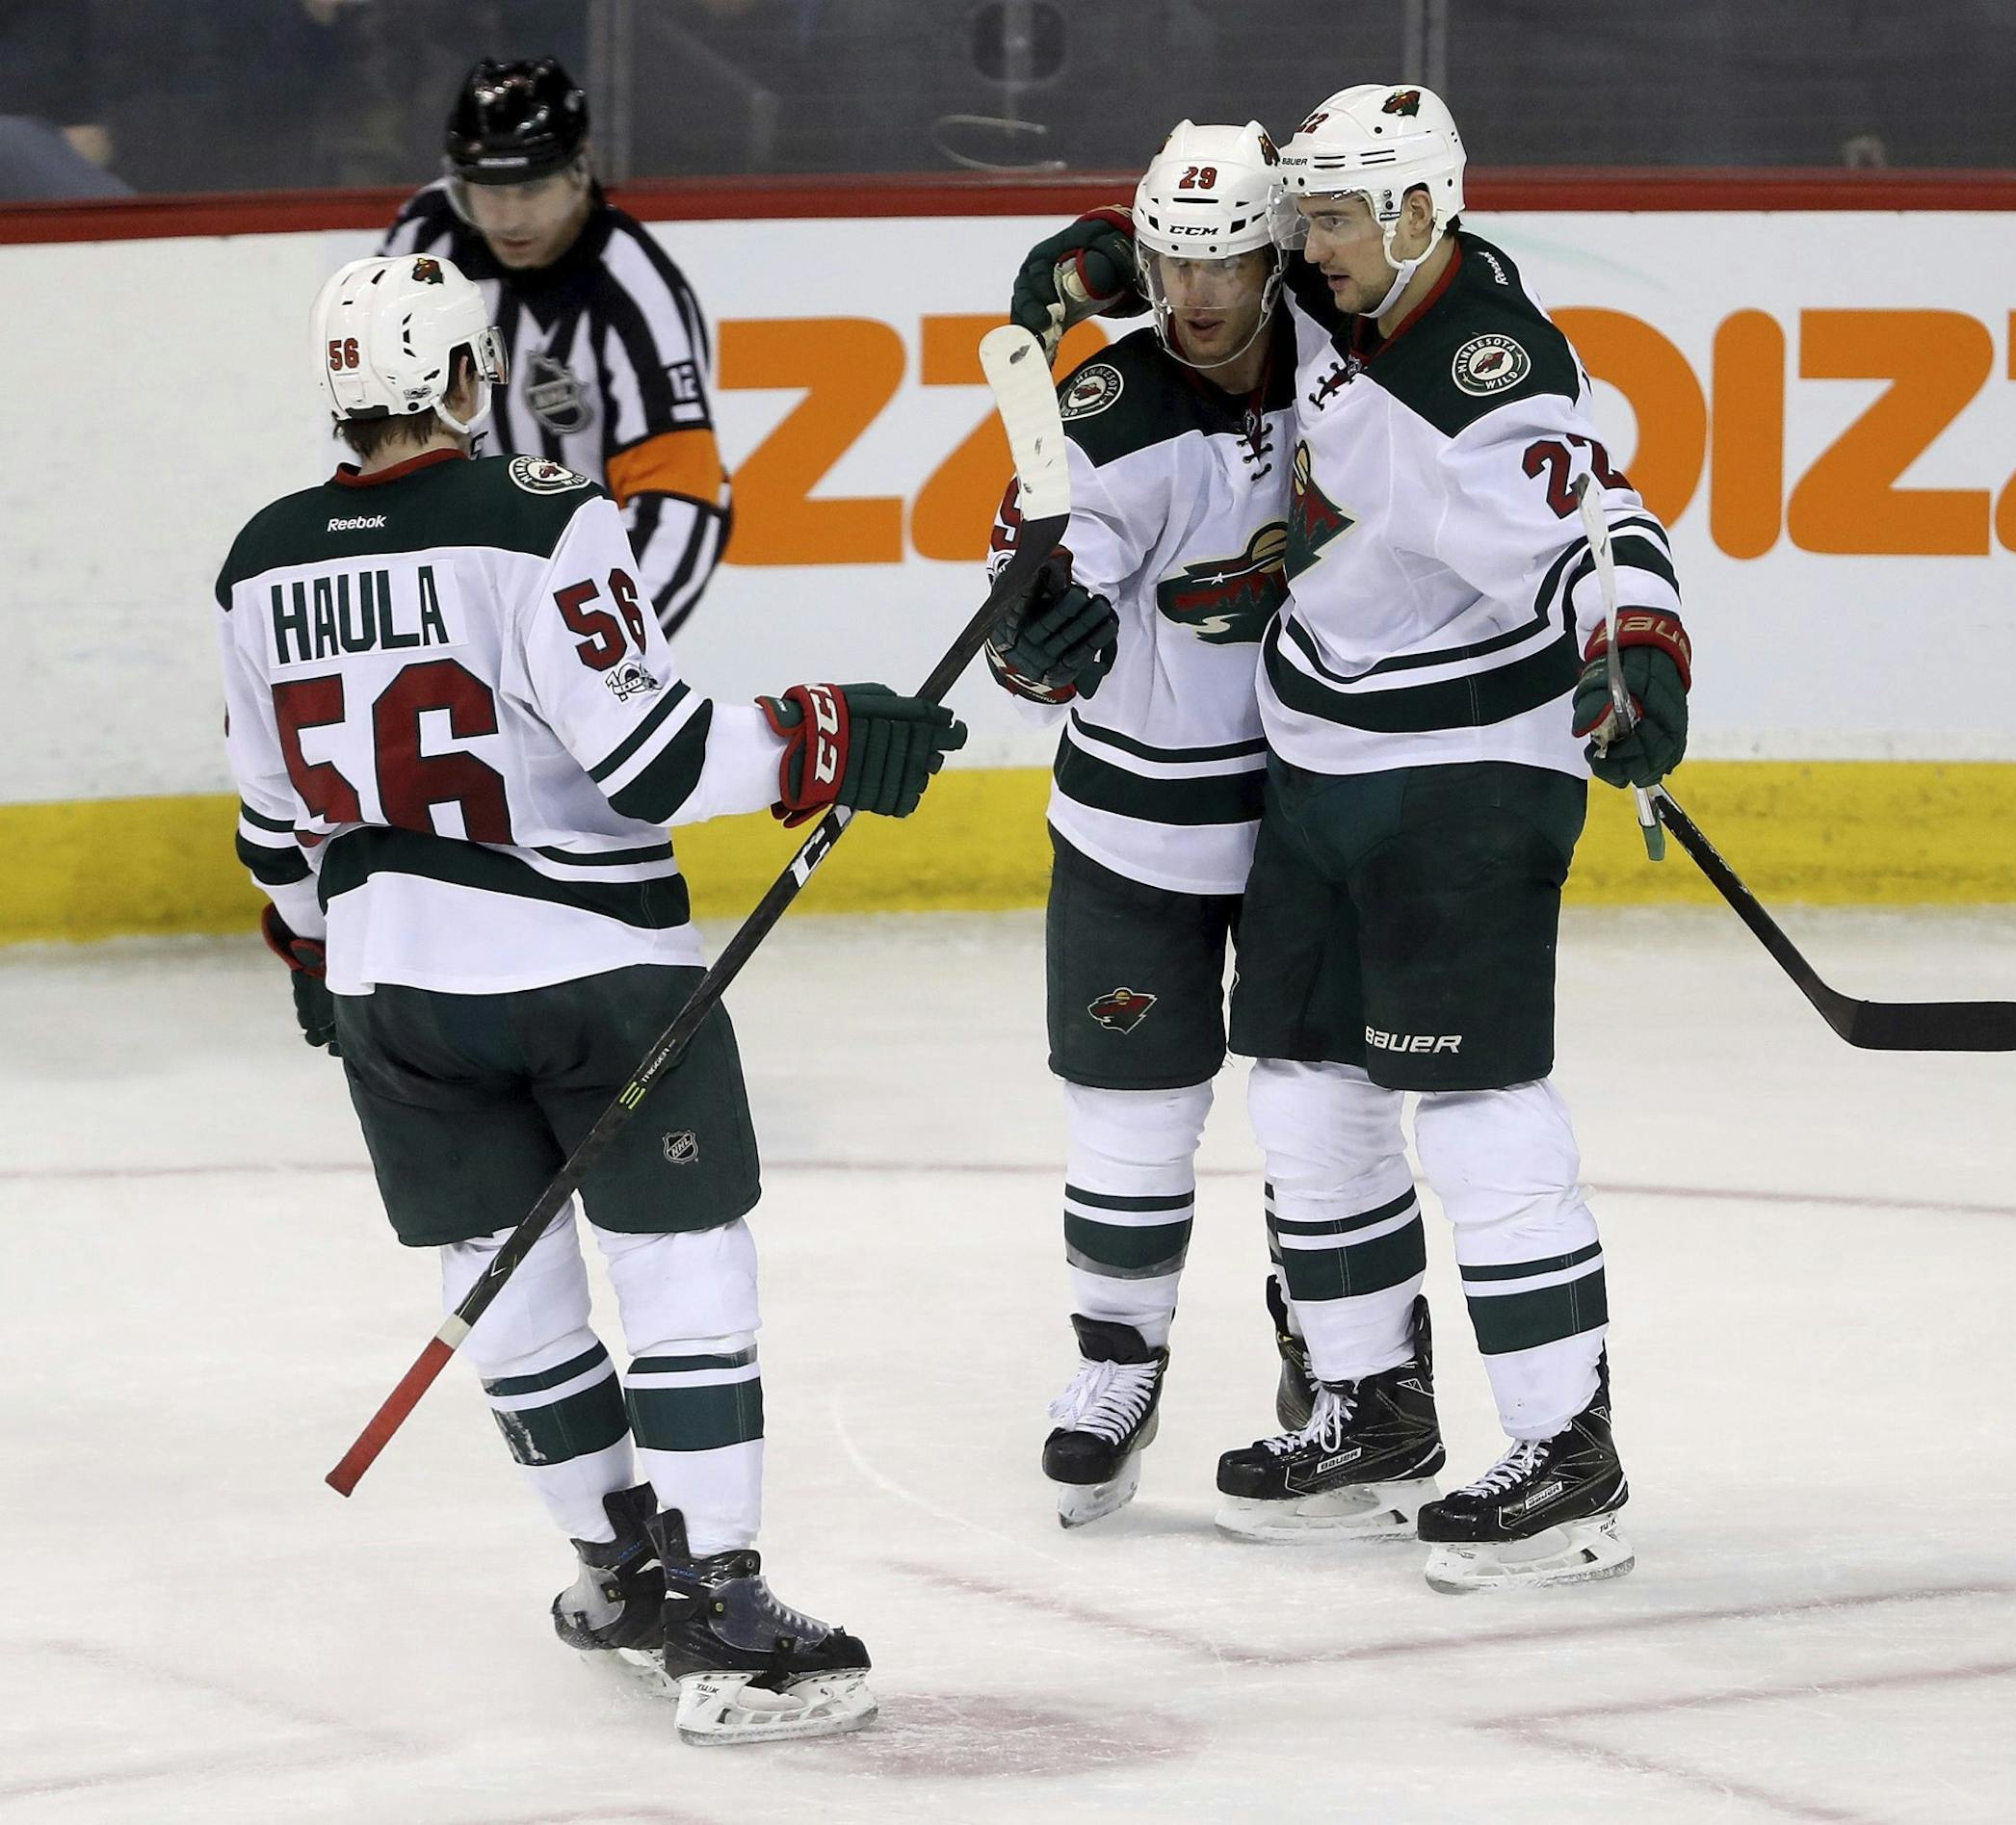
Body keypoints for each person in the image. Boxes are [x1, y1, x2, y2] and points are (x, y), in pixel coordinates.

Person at [218, 252, 966, 1739]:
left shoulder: (260, 555)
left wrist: (318, 958)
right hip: (587, 968)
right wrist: (835, 732)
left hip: (390, 992)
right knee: (683, 1260)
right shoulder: (543, 515)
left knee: (497, 1263)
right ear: (456, 380)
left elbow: (266, 818)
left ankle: (616, 1566)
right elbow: (654, 762)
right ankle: (724, 1603)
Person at [1009, 85, 1690, 1588]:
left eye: (1323, 222)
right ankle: (1374, 1408)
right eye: (1300, 221)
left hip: (1459, 775)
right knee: (1311, 1094)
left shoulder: (1481, 376)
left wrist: (1636, 637)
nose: (1299, 249)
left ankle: (1567, 1448)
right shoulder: (1351, 307)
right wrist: (1098, 282)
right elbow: (1181, 326)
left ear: (1413, 215)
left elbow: (1601, 519)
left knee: (1478, 1110)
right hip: (1317, 765)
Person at [984, 121, 1305, 1527]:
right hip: (1135, 823)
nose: (1198, 289)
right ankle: (1118, 1363)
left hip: (1314, 810)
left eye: (1227, 253)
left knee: (1327, 1121)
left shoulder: (1357, 368)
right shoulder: (1102, 404)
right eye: (1169, 256)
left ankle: (1341, 1355)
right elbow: (1047, 564)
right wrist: (1037, 625)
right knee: (1128, 1116)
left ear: (1281, 245)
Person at [379, 58, 730, 639]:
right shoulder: (427, 240)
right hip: (450, 578)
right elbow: (385, 426)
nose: (510, 218)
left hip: (581, 586)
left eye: (534, 187)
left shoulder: (635, 293)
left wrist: (589, 648)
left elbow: (682, 504)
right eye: (487, 191)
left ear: (580, 169)